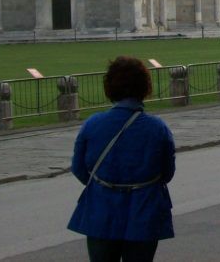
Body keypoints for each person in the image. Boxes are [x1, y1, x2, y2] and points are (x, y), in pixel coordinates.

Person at [68, 56, 175, 262]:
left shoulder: (93, 124)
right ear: (144, 88)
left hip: (102, 209)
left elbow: (79, 168)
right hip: (143, 210)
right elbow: (167, 173)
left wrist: (105, 186)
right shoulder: (157, 128)